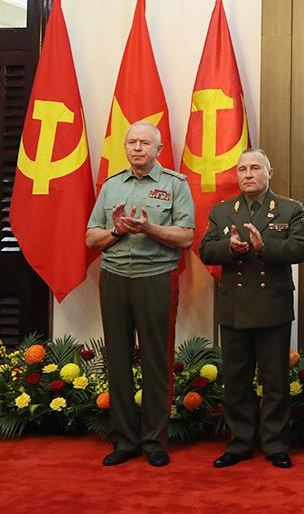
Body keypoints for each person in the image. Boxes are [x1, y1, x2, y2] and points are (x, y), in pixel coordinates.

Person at [85, 120, 195, 467]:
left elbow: (186, 236)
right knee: (117, 360)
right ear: (125, 147)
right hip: (114, 278)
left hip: (156, 277)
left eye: (145, 143)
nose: (137, 148)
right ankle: (124, 440)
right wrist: (116, 231)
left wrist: (150, 228)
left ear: (158, 149)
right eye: (132, 142)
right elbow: (91, 237)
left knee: (156, 361)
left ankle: (154, 440)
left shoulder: (175, 185)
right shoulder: (111, 186)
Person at [199, 148, 304, 469]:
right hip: (234, 306)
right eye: (243, 169)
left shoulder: (290, 208)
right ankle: (240, 442)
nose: (248, 174)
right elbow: (206, 250)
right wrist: (229, 248)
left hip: (272, 305)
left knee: (275, 380)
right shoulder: (223, 211)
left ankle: (275, 444)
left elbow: (300, 249)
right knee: (236, 379)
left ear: (269, 173)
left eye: (255, 168)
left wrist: (265, 247)